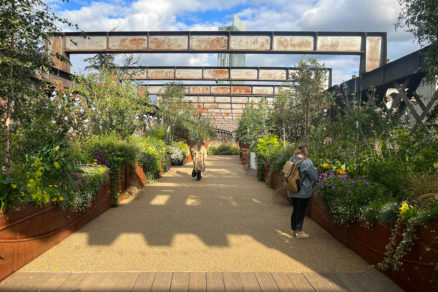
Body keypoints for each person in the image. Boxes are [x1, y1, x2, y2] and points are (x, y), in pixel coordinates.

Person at [288, 143, 318, 239]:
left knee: (295, 209)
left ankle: (293, 228)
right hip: (303, 190)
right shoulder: (307, 162)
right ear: (306, 151)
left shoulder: (291, 160)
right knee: (301, 211)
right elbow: (314, 177)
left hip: (292, 188)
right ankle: (299, 232)